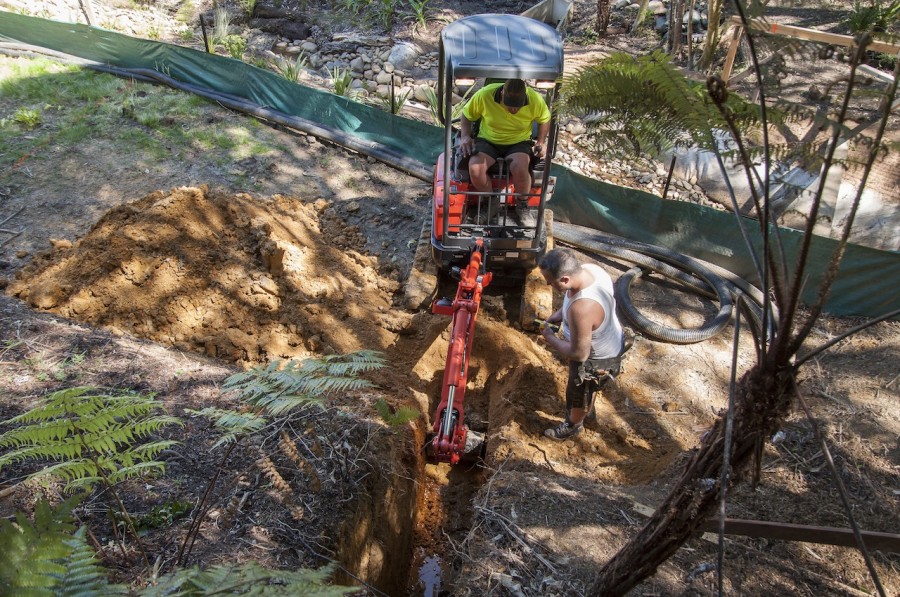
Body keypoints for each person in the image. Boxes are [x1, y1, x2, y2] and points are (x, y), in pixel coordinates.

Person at [537, 247, 625, 440]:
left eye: (550, 282)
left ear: (565, 279)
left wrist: (550, 338)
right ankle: (587, 409)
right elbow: (569, 301)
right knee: (587, 391)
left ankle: (573, 425)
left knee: (578, 391)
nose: (547, 284)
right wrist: (557, 316)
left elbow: (579, 354)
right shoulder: (589, 272)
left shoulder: (582, 308)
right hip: (612, 340)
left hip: (598, 360)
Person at [458, 79, 551, 203]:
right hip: (488, 140)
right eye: (510, 105)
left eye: (517, 106)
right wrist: (465, 136)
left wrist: (541, 141)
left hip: (519, 142)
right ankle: (490, 202)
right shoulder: (485, 95)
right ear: (502, 94)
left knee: (520, 168)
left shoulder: (535, 99)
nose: (513, 110)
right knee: (475, 169)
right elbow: (467, 114)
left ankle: (522, 204)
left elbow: (544, 119)